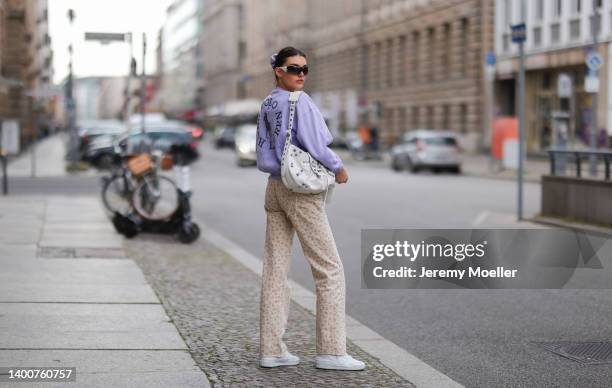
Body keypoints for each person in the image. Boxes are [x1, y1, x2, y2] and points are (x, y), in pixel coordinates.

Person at [255, 46, 365, 371]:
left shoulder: (267, 102)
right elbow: (317, 144)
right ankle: (331, 351)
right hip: (299, 189)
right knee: (329, 269)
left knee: (275, 269)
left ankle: (271, 350)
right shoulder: (298, 101)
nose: (301, 74)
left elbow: (262, 146)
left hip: (274, 186)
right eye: (293, 68)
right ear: (278, 70)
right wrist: (339, 167)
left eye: (305, 69)